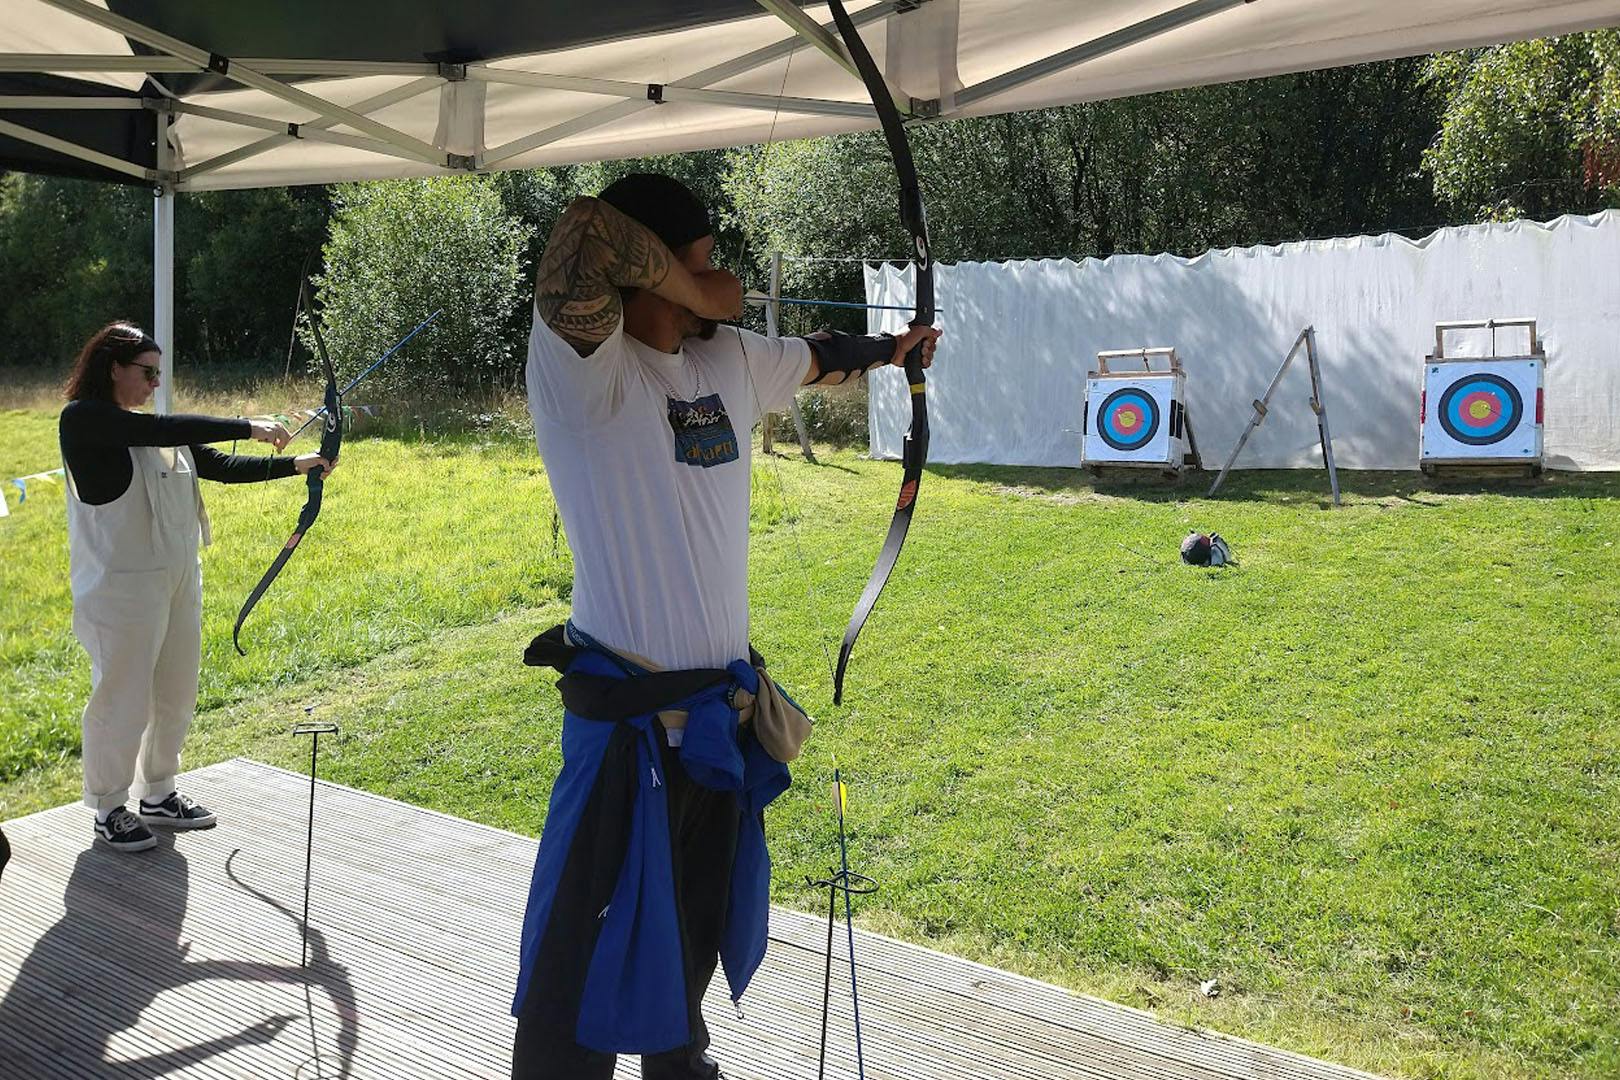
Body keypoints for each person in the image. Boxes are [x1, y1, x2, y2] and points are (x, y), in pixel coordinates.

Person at [510, 173, 940, 1080]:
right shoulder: (585, 370)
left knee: (692, 934)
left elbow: (817, 355)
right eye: (708, 261)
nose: (725, 279)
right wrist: (697, 287)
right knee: (572, 975)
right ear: (661, 269)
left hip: (716, 725)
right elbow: (584, 235)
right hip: (626, 731)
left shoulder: (727, 360)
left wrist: (894, 349)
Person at [59, 322, 334, 853]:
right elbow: (161, 431)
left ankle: (158, 795)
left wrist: (296, 464)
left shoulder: (148, 429)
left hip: (177, 575)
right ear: (113, 368)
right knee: (123, 698)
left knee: (176, 690)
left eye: (159, 373)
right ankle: (109, 807)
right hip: (120, 587)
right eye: (146, 372)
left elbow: (218, 465)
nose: (155, 383)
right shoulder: (85, 421)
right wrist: (247, 424)